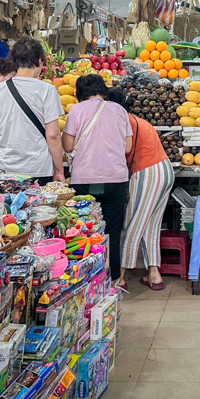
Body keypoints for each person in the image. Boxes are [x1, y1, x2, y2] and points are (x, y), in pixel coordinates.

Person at [62, 74, 132, 283]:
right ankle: (112, 281)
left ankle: (85, 281)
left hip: (84, 179)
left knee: (82, 230)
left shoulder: (75, 110)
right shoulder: (120, 110)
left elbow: (67, 146)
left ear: (79, 94)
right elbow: (127, 147)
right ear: (104, 90)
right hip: (116, 179)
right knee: (112, 230)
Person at [107, 87, 176, 291]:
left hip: (148, 173)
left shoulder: (121, 121)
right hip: (164, 170)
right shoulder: (134, 119)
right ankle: (154, 274)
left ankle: (119, 276)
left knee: (132, 225)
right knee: (151, 226)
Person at [0, 37, 65, 184]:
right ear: (40, 61)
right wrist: (59, 170)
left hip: (1, 170)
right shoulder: (47, 90)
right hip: (36, 169)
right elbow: (53, 134)